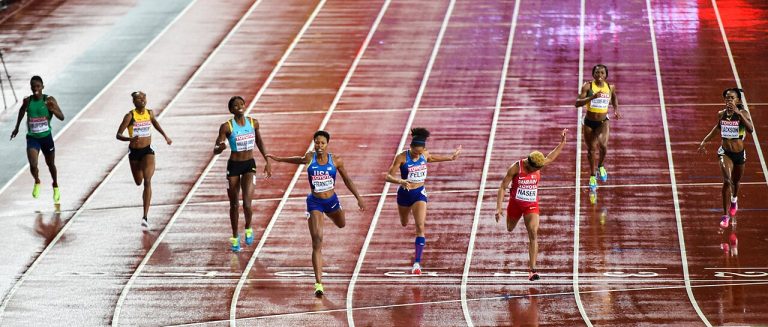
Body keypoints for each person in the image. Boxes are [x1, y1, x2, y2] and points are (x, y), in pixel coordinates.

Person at [267, 130, 365, 296]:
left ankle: (330, 214)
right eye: (317, 142)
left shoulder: (336, 161)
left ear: (327, 144)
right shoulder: (309, 158)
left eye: (322, 143)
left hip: (332, 201)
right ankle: (318, 283)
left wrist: (358, 197)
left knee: (342, 224)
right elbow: (297, 160)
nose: (319, 146)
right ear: (314, 143)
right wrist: (277, 158)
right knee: (317, 240)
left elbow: (347, 180)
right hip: (315, 203)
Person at [384, 127, 462, 275]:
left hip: (419, 193)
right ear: (410, 147)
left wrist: (451, 157)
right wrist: (400, 181)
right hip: (404, 194)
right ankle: (405, 220)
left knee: (420, 226)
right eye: (415, 152)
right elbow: (388, 176)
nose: (417, 155)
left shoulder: (424, 154)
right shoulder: (401, 157)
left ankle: (417, 263)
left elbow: (431, 158)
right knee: (404, 222)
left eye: (420, 153)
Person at [495, 129, 567, 281]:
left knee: (533, 233)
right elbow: (502, 186)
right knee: (509, 228)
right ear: (530, 165)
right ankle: (512, 218)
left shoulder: (538, 163)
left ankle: (532, 270)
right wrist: (498, 208)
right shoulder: (516, 167)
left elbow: (551, 157)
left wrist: (562, 143)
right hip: (515, 203)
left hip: (531, 206)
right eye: (537, 169)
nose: (540, 170)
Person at [213, 96, 271, 251]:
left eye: (241, 104)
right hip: (233, 166)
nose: (239, 106)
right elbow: (215, 149)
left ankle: (248, 227)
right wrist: (219, 148)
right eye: (235, 105)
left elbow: (259, 142)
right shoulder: (226, 127)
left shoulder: (253, 123)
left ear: (245, 106)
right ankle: (235, 236)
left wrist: (267, 160)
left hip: (249, 165)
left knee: (246, 203)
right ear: (231, 110)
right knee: (234, 204)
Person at [698, 88, 754, 229]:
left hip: (739, 154)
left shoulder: (743, 113)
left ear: (738, 100)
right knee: (727, 181)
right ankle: (725, 215)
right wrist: (704, 141)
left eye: (732, 98)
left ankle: (734, 199)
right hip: (725, 153)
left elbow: (751, 129)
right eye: (727, 98)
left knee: (736, 181)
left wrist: (739, 114)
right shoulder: (721, 114)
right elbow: (717, 129)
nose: (729, 100)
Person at [116, 91, 172, 228]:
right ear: (134, 102)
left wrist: (165, 136)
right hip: (134, 152)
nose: (141, 100)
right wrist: (130, 139)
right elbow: (118, 135)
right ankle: (141, 167)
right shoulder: (130, 116)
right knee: (138, 181)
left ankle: (145, 216)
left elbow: (155, 123)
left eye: (143, 97)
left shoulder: (150, 113)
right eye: (138, 98)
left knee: (147, 181)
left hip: (147, 150)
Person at [10, 76, 65, 204]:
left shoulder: (49, 100)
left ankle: (55, 185)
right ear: (31, 87)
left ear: (42, 87)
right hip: (32, 138)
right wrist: (17, 127)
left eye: (38, 86)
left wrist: (53, 110)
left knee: (50, 164)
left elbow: (62, 117)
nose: (36, 89)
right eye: (33, 86)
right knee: (33, 164)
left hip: (46, 138)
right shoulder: (27, 101)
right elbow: (22, 112)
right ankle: (37, 180)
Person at [575, 64, 620, 202]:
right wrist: (592, 97)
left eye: (602, 72)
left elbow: (614, 97)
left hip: (603, 122)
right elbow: (577, 103)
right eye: (596, 72)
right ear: (593, 74)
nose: (599, 75)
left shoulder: (610, 87)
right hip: (589, 122)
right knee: (591, 150)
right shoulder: (587, 87)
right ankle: (593, 175)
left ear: (606, 75)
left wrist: (616, 109)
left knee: (603, 146)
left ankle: (601, 165)